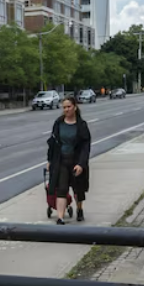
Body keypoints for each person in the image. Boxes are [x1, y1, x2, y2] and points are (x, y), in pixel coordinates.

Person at [46, 95, 91, 224]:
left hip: (76, 161)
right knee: (61, 188)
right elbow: (52, 143)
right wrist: (50, 160)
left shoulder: (81, 125)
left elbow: (85, 147)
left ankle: (79, 209)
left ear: (75, 107)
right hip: (61, 160)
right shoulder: (58, 123)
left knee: (78, 189)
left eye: (69, 107)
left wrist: (81, 164)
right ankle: (60, 217)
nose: (66, 109)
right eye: (64, 107)